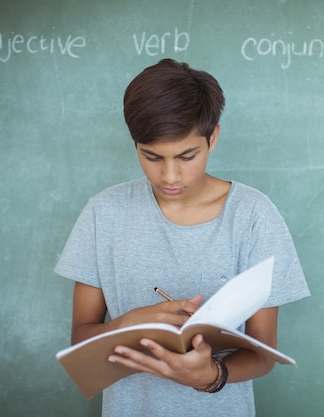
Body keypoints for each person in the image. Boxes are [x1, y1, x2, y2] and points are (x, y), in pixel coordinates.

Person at [54, 59, 310, 417]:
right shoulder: (104, 213)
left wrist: (210, 375)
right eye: (151, 156)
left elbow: (263, 354)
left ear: (213, 138)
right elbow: (80, 341)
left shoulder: (253, 215)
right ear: (135, 144)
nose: (170, 175)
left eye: (187, 156)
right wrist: (128, 323)